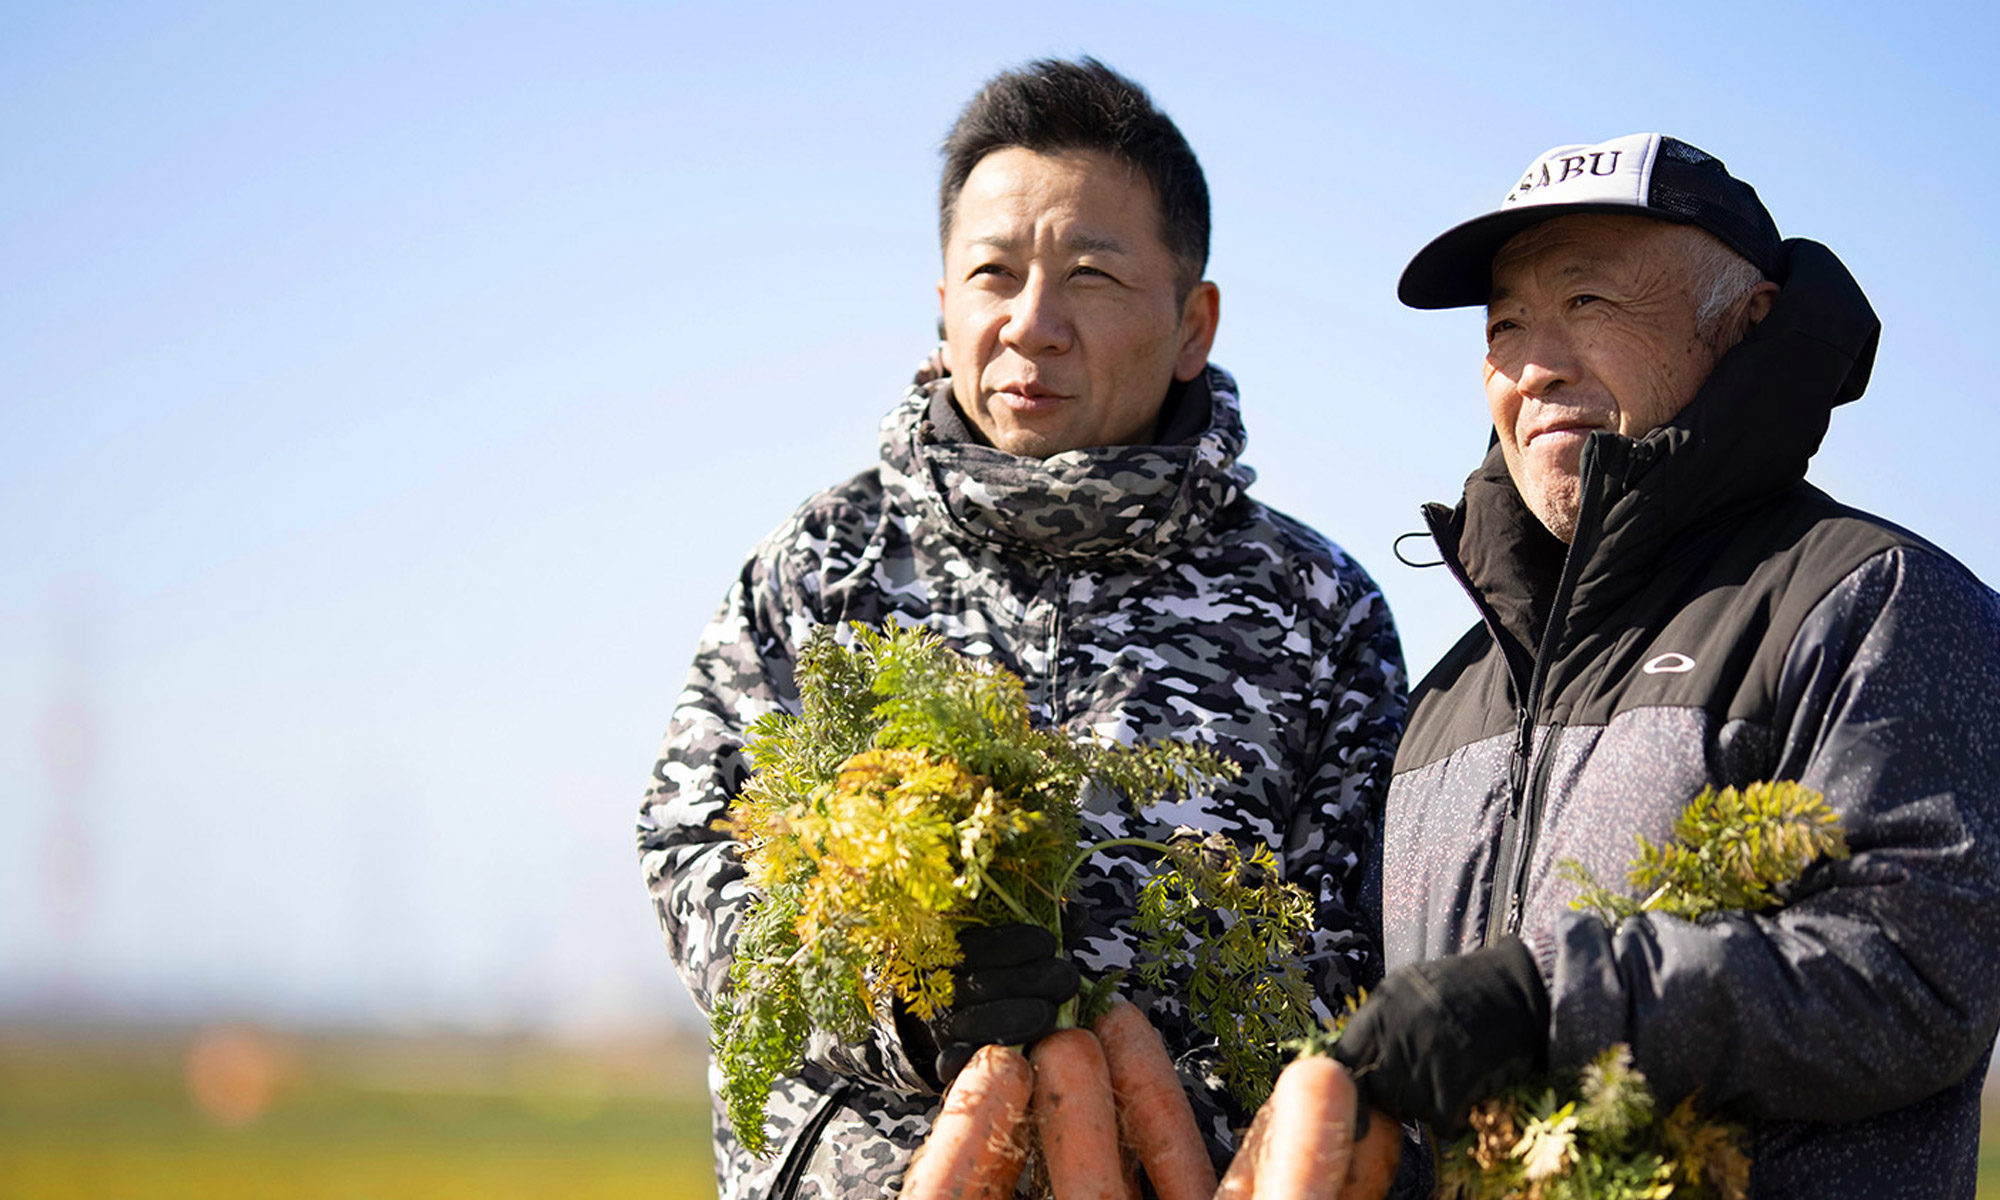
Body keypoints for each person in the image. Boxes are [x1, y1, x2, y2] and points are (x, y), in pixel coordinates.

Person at [637, 58, 1406, 1199]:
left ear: (1192, 323)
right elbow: (692, 844)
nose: (1031, 325)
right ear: (943, 306)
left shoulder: (1315, 608)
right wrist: (889, 1002)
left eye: (1091, 278)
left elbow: (1357, 955)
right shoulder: (818, 571)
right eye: (992, 274)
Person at [1331, 132, 2000, 1197]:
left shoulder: (1873, 603)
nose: (1532, 362)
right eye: (1504, 324)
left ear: (1744, 327)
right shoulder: (1447, 696)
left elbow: (1923, 976)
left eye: (1585, 305)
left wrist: (1551, 1007)